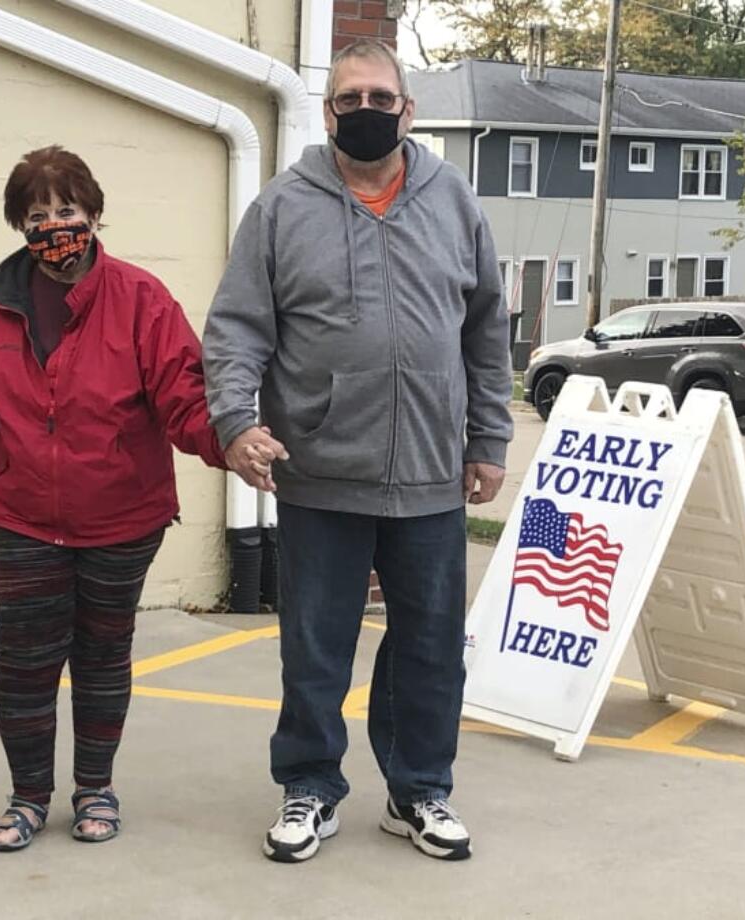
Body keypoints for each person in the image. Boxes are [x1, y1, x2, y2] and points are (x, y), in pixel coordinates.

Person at [203, 39, 513, 864]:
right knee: (315, 646)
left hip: (432, 478)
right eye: (350, 100)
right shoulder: (280, 208)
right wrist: (237, 423)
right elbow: (235, 330)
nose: (366, 112)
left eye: (382, 98)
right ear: (329, 111)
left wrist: (488, 436)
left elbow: (486, 330)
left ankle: (419, 791)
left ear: (408, 111)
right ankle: (309, 786)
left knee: (429, 646)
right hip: (320, 476)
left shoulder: (455, 202)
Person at [0, 146, 226, 851]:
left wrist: (232, 443)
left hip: (122, 514)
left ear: (94, 214)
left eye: (67, 211)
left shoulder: (143, 300)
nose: (54, 226)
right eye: (37, 215)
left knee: (103, 654)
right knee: (24, 659)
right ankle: (27, 797)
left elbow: (185, 398)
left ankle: (94, 789)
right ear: (18, 226)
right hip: (24, 515)